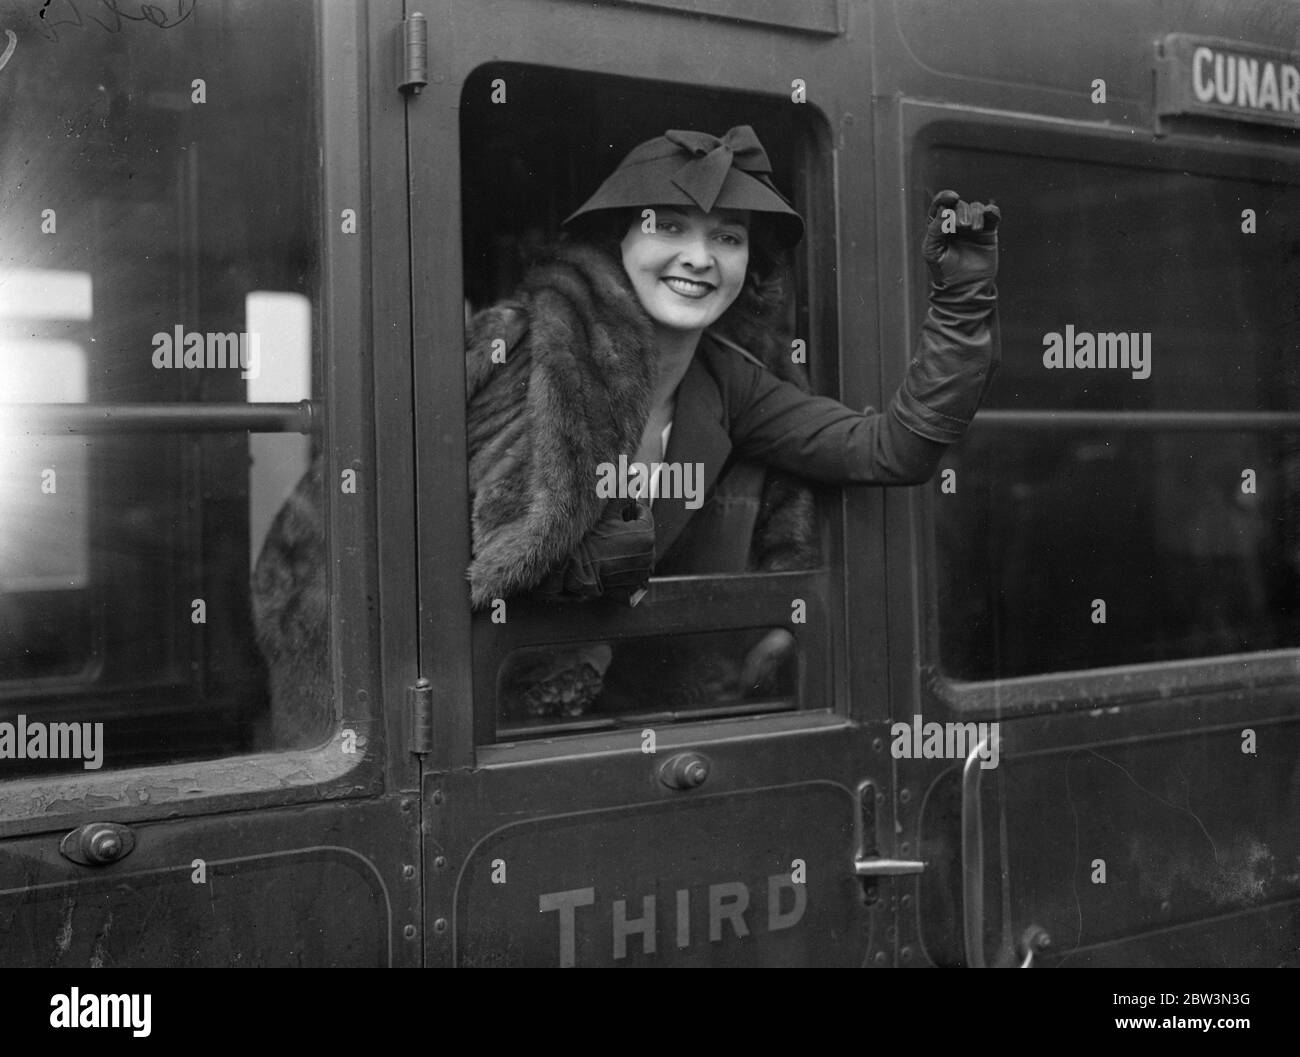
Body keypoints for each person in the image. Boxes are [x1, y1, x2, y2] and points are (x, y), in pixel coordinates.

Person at [465, 124, 1001, 719]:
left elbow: (890, 449)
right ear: (615, 240)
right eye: (667, 226)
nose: (699, 257)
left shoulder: (728, 382)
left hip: (628, 718)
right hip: (485, 714)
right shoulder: (516, 345)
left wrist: (961, 306)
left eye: (727, 237)